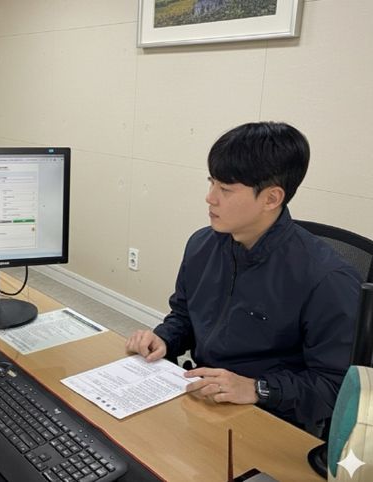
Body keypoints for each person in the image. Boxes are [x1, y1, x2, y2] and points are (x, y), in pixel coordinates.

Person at [126, 121, 361, 432]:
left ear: (271, 199)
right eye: (211, 182)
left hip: (270, 417)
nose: (210, 198)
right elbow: (185, 316)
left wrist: (257, 388)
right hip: (204, 396)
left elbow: (336, 387)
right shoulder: (202, 244)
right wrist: (164, 339)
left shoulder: (327, 279)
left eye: (225, 189)